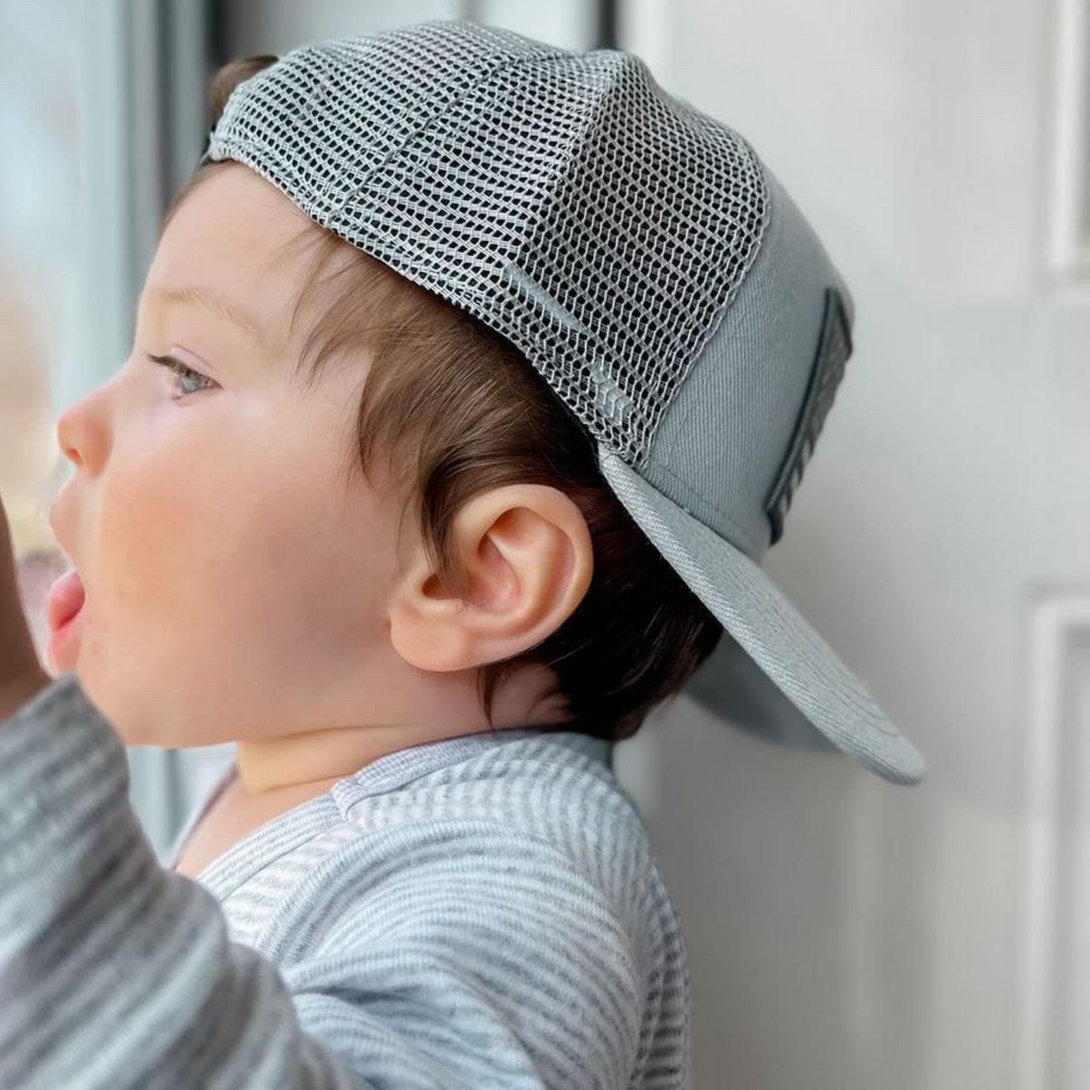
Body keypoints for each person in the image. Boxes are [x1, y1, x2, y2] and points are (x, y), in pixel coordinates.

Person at [0, 19, 926, 1090]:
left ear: (473, 574)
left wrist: (21, 742)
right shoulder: (281, 772)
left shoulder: (526, 880)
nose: (75, 423)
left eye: (183, 371)